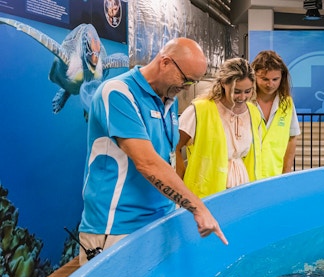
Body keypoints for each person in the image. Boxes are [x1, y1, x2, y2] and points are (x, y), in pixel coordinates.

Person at [78, 37, 228, 265]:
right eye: (185, 80)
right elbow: (147, 162)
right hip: (118, 226)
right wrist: (197, 207)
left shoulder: (169, 99)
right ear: (165, 62)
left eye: (192, 83)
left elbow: (167, 157)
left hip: (159, 218)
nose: (185, 87)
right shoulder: (118, 92)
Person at [176, 57, 262, 198]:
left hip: (243, 188)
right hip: (206, 192)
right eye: (236, 91)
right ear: (223, 83)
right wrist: (180, 183)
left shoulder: (254, 112)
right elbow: (175, 147)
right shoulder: (200, 109)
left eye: (248, 91)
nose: (242, 97)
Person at [251, 50, 301, 178]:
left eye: (275, 79)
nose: (270, 84)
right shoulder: (244, 102)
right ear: (254, 76)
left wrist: (286, 172)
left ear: (282, 78)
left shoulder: (287, 104)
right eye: (264, 79)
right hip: (245, 176)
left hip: (274, 175)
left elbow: (292, 138)